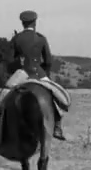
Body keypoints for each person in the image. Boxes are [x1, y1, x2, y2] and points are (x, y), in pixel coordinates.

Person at [9, 10, 67, 141]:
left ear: (22, 23)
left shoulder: (16, 39)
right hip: (39, 73)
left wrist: (16, 68)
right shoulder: (41, 38)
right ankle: (57, 125)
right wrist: (45, 74)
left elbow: (9, 61)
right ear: (35, 22)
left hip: (22, 73)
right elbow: (48, 61)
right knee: (56, 96)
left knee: (4, 95)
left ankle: (1, 124)